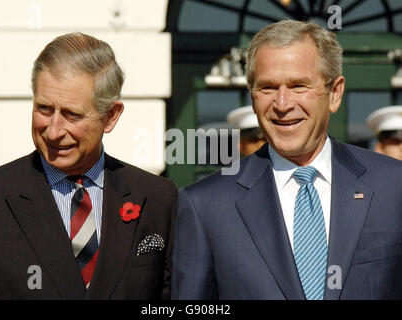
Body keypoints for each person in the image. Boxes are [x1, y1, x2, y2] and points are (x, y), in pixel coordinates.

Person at [172, 20, 402, 300]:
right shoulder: (205, 206)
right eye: (267, 87)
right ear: (252, 96)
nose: (282, 104)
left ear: (335, 93)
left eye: (298, 86)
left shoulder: (393, 186)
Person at [0, 33, 177, 299]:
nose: (54, 131)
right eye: (44, 109)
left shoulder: (158, 199)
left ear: (110, 116)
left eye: (72, 114)